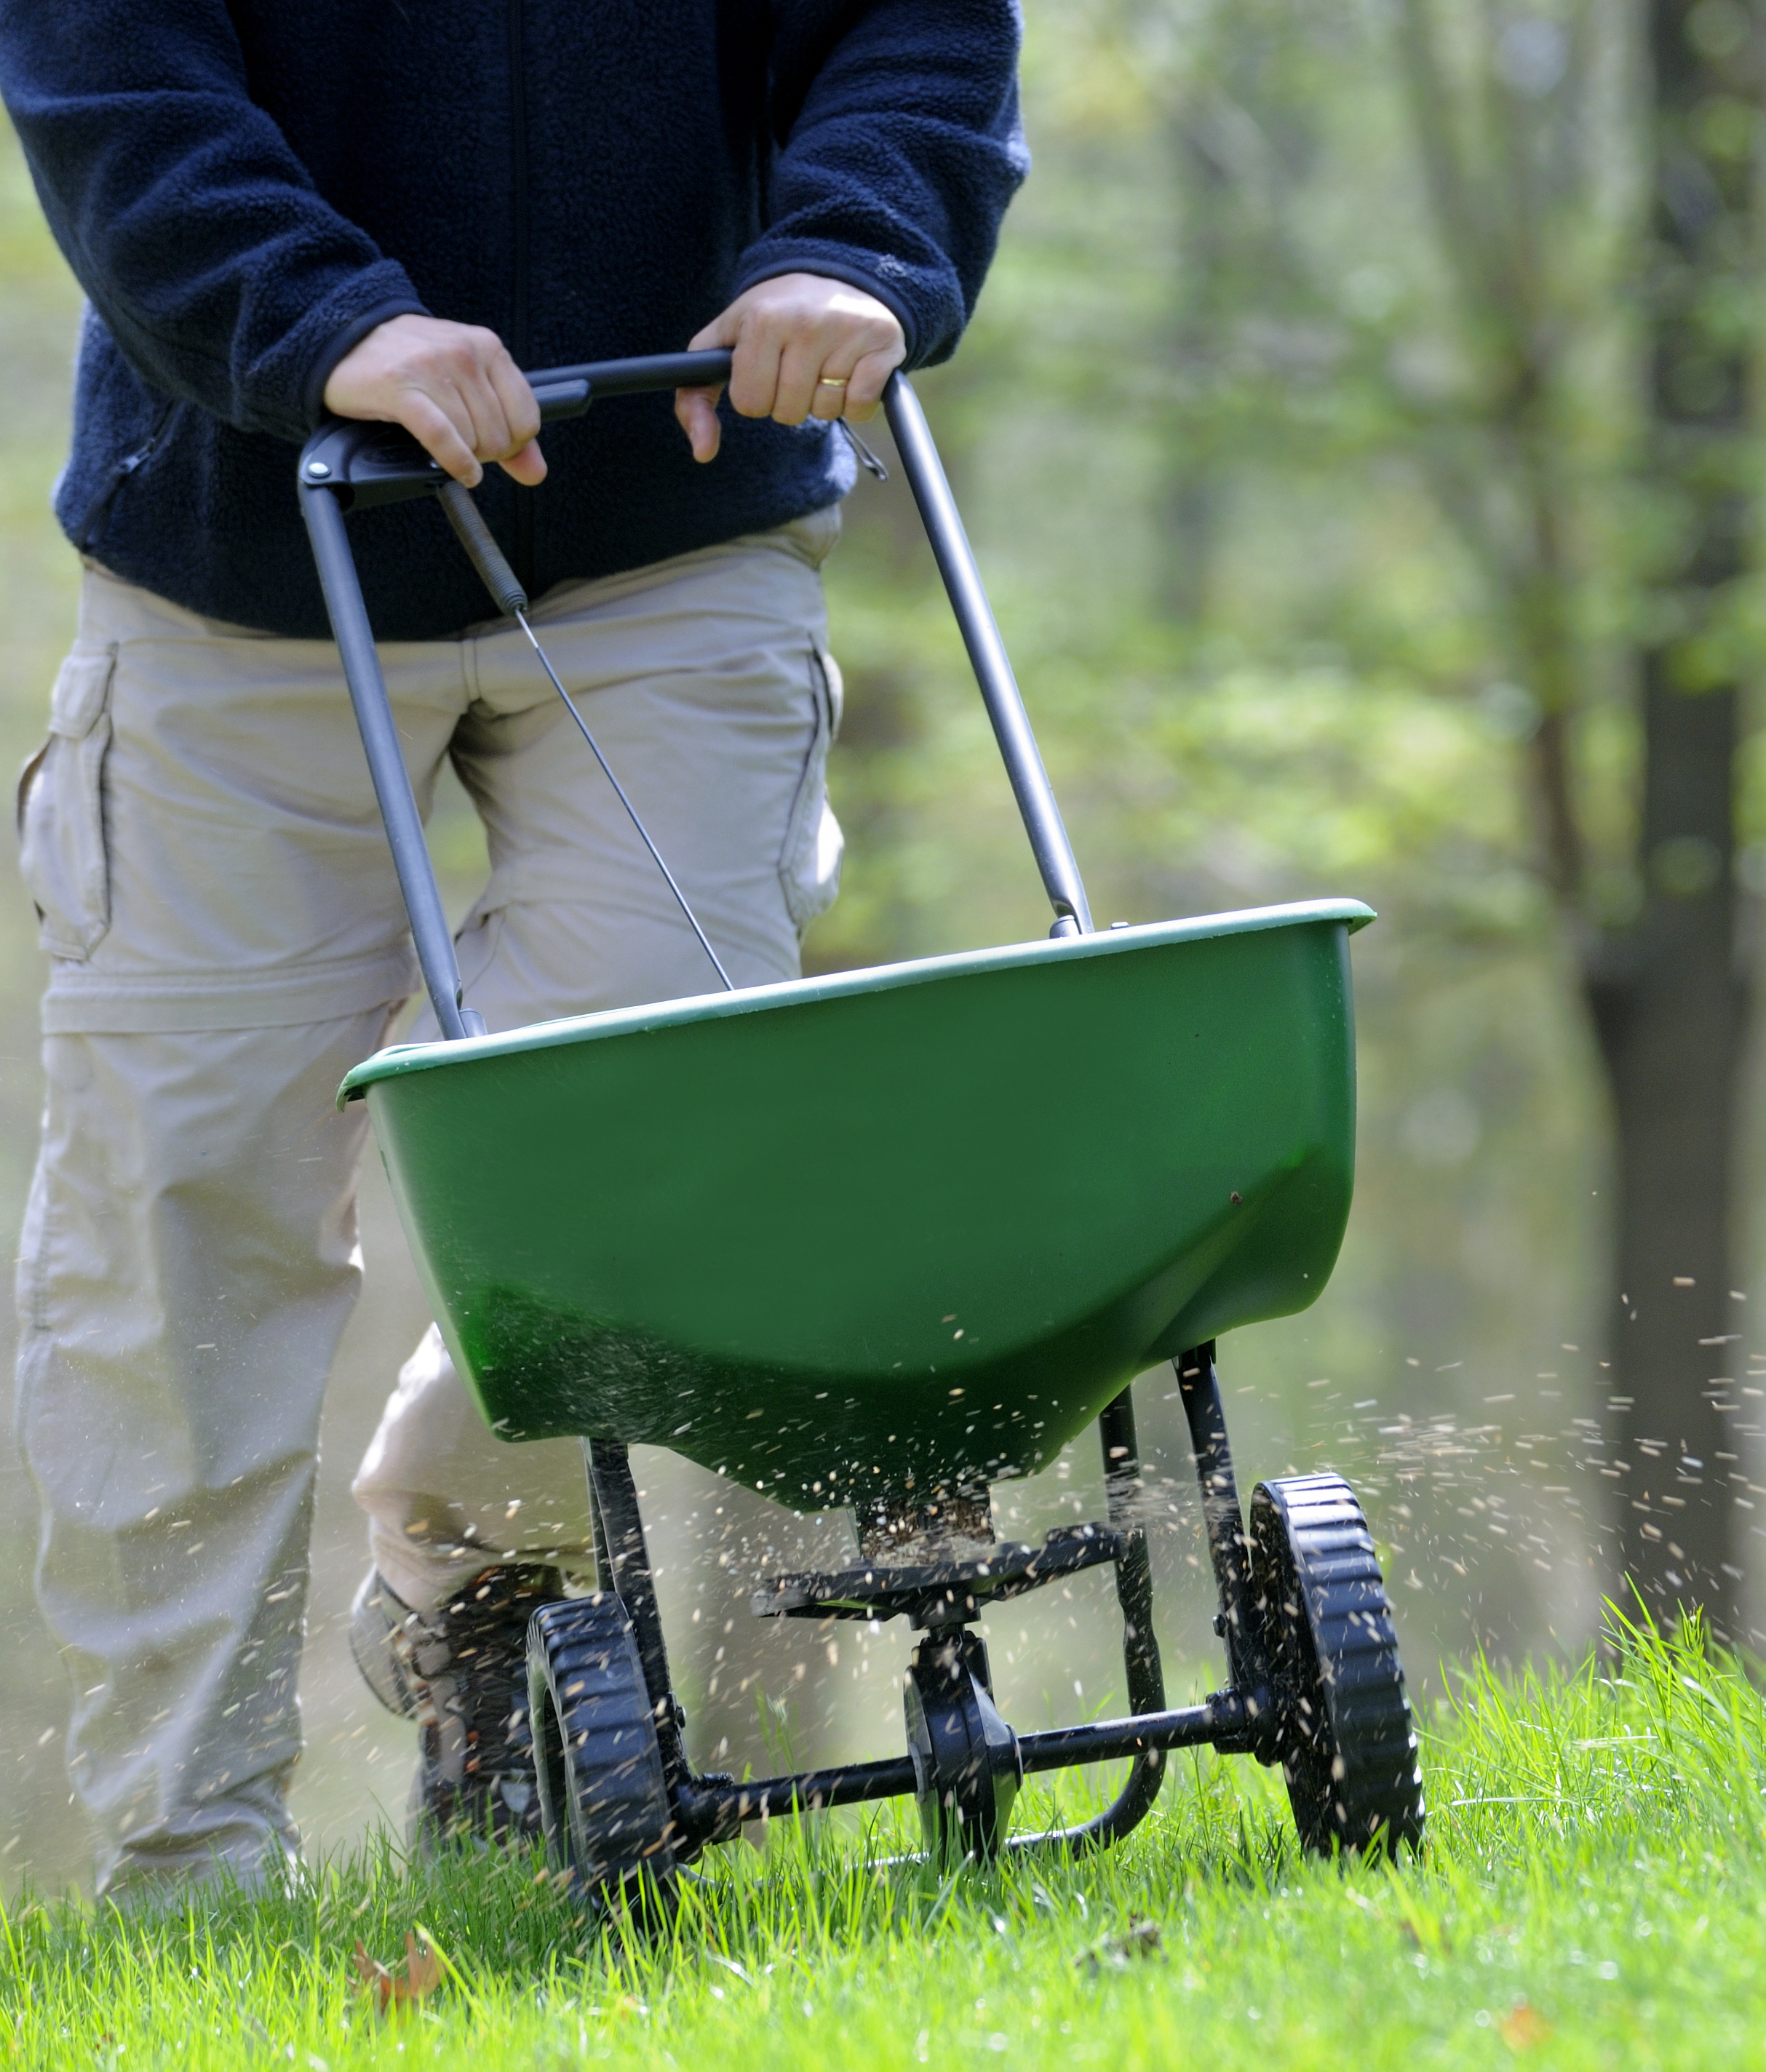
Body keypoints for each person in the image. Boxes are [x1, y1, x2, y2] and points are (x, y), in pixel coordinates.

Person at [0, 0, 1025, 1899]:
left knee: (663, 1146)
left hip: (671, 516)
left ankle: (475, 1587)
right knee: (183, 1215)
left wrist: (855, 241)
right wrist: (324, 321)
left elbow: (911, 22)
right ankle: (189, 1864)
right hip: (241, 538)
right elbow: (103, 65)